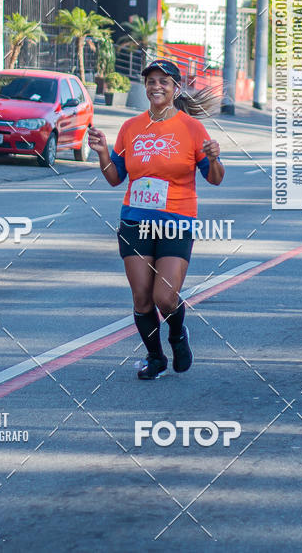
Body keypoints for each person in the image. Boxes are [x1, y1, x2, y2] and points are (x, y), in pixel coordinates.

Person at [88, 58, 224, 380]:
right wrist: (103, 153)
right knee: (142, 297)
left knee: (164, 296)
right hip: (135, 221)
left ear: (176, 88)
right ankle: (155, 357)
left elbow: (215, 179)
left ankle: (177, 336)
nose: (156, 86)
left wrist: (215, 158)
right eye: (151, 81)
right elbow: (115, 178)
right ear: (145, 87)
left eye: (164, 81)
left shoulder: (191, 128)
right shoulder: (131, 128)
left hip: (176, 221)